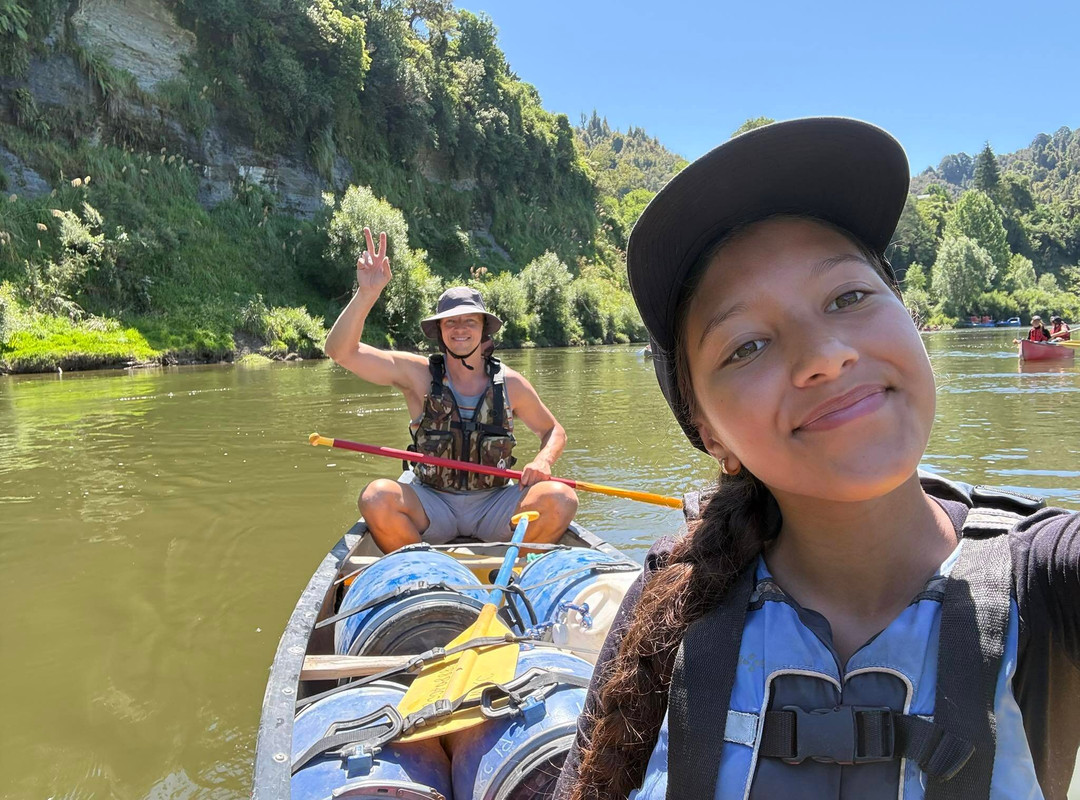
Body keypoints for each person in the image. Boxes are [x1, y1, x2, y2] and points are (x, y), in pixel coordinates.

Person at [556, 119, 1080, 800]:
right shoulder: (671, 595)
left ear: (909, 317)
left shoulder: (1049, 578)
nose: (825, 355)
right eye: (745, 346)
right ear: (710, 434)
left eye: (849, 297)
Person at [324, 228, 578, 552]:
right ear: (439, 331)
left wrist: (544, 460)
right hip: (432, 505)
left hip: (495, 504)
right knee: (376, 497)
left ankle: (509, 575)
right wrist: (367, 294)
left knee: (562, 498)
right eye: (450, 323)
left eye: (469, 321)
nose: (460, 329)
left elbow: (553, 430)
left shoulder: (510, 383)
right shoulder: (416, 374)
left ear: (483, 329)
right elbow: (341, 352)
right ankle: (426, 573)